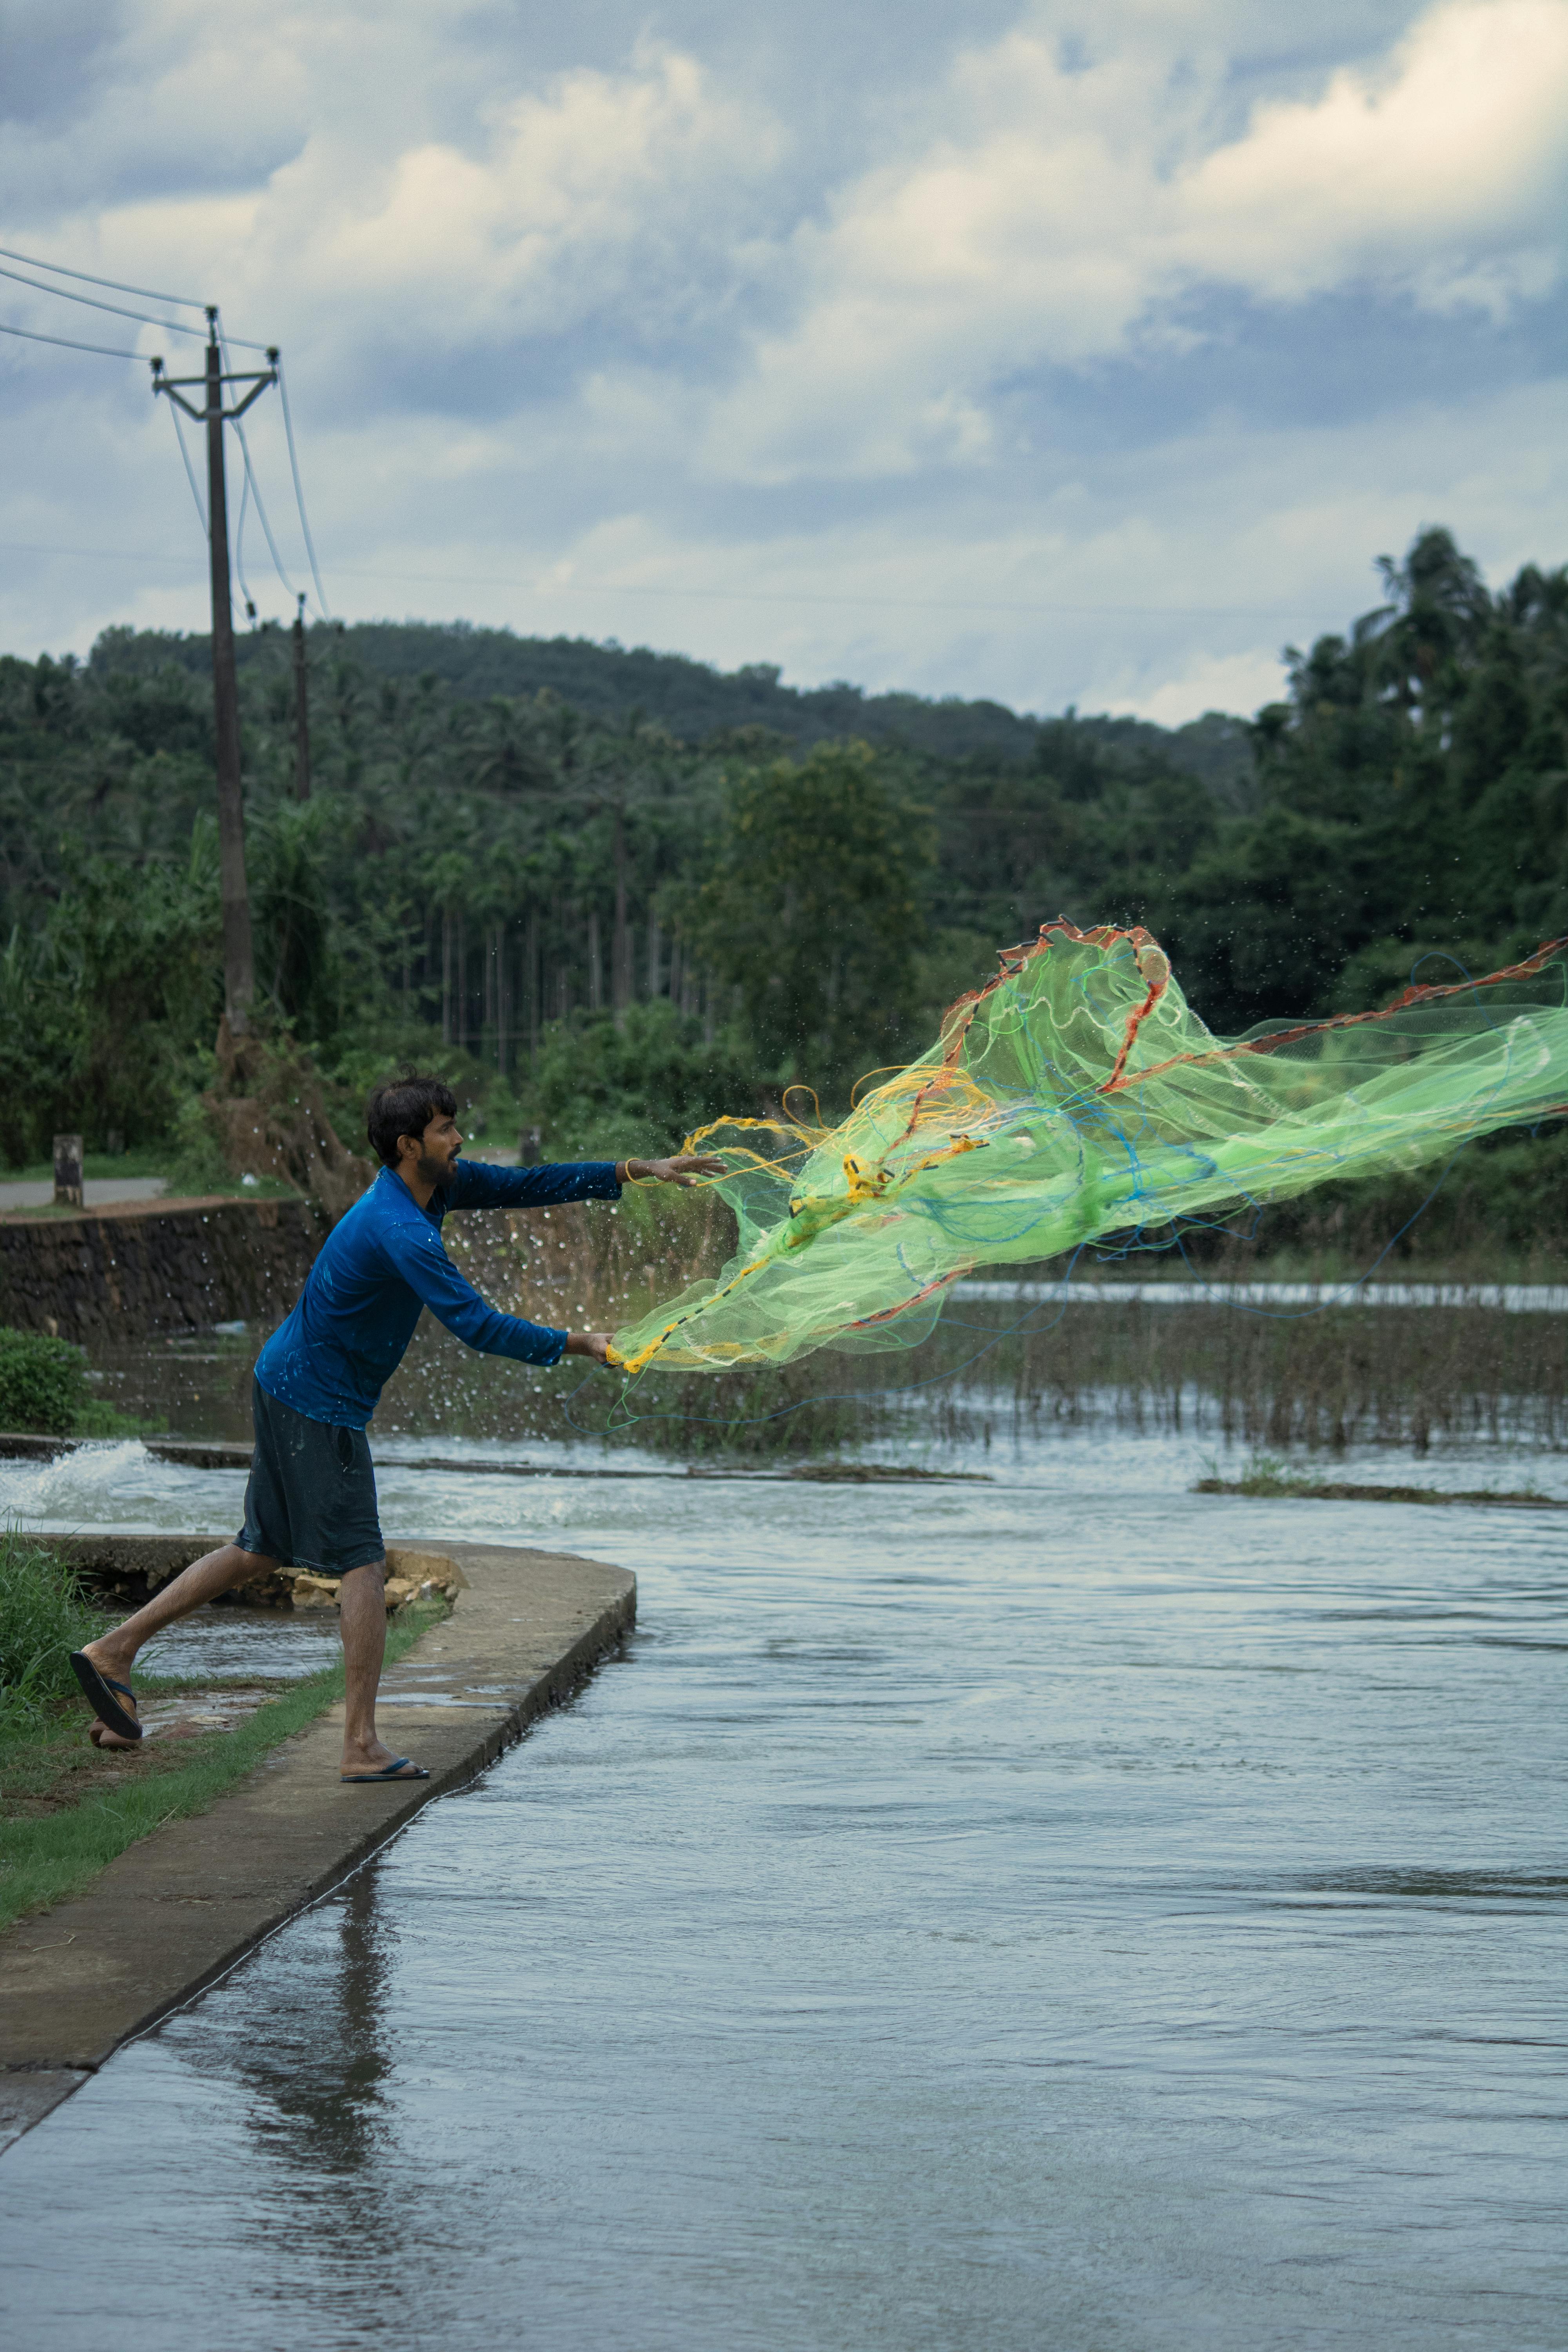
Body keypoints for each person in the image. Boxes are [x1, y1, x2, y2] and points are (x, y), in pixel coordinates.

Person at [71, 1073, 723, 1783]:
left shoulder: (431, 1188)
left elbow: (526, 1184)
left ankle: (116, 1649)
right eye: (447, 1129)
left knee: (261, 1547)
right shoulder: (400, 1228)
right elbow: (475, 1325)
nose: (460, 1138)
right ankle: (358, 1746)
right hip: (316, 1401)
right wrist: (582, 1342)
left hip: (287, 1381)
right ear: (411, 1145)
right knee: (362, 1560)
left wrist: (638, 1170)